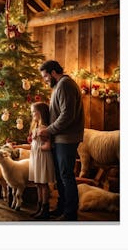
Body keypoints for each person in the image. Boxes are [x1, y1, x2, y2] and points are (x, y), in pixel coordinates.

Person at [38, 60, 85, 221]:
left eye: (45, 76)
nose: (45, 80)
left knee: (66, 176)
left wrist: (48, 130)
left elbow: (67, 115)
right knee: (60, 176)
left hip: (67, 139)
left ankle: (70, 213)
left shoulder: (65, 85)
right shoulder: (59, 85)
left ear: (53, 72)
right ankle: (62, 208)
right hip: (60, 138)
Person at [28, 102, 55, 220]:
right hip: (36, 156)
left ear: (41, 113)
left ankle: (45, 209)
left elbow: (48, 145)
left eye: (34, 111)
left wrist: (39, 146)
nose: (32, 114)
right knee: (38, 183)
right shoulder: (36, 126)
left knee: (43, 183)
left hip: (42, 157)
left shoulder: (45, 128)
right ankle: (39, 207)